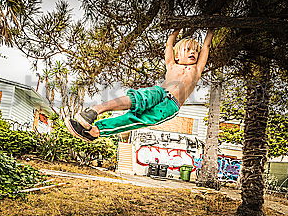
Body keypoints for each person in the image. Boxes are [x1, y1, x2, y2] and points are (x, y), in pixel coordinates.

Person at [62, 29, 214, 141]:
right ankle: (93, 111)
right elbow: (169, 44)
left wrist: (211, 30)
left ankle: (95, 131)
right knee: (136, 99)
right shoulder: (171, 64)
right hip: (159, 92)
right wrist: (176, 30)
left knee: (137, 118)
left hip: (171, 105)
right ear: (177, 55)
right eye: (187, 50)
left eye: (195, 51)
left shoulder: (197, 69)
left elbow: (206, 47)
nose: (192, 52)